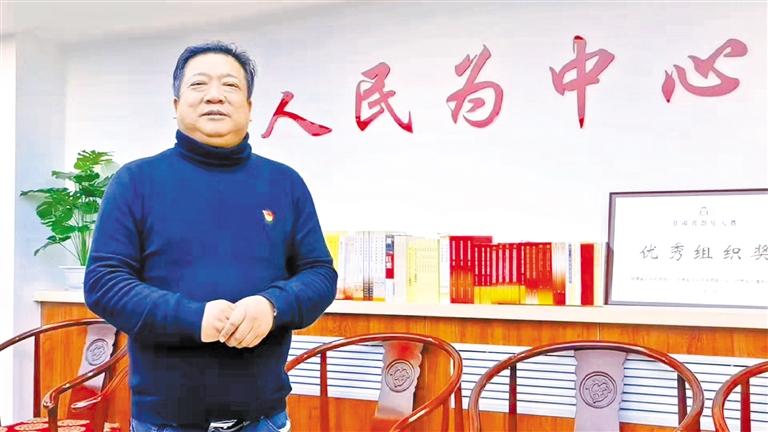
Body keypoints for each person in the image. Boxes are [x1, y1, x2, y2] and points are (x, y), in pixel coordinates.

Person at [84, 41, 337, 432]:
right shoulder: (135, 182)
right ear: (176, 104)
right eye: (199, 84)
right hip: (165, 421)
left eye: (230, 85)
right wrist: (194, 317)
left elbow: (319, 273)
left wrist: (272, 306)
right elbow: (104, 282)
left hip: (265, 417)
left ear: (250, 107)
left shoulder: (284, 183)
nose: (215, 95)